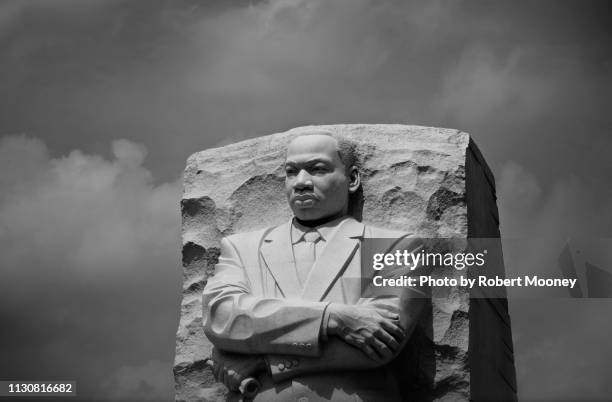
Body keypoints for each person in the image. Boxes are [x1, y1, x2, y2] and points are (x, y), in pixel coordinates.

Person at [203, 132, 426, 401]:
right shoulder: (242, 247)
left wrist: (265, 362)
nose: (301, 183)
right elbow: (222, 318)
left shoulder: (397, 246)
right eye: (291, 172)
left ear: (352, 179)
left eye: (317, 169)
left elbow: (380, 344)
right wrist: (333, 318)